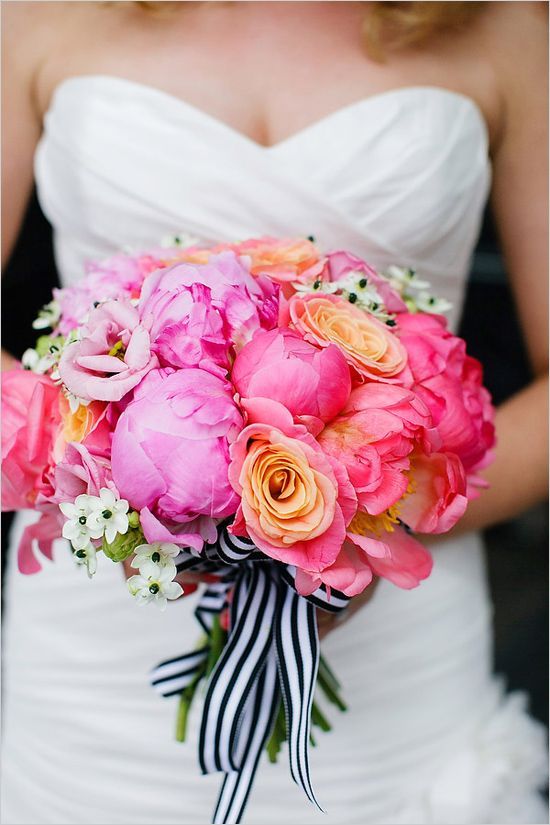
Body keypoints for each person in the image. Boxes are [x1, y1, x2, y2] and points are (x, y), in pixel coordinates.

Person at [1, 2, 548, 823]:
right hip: (97, 657)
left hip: (398, 660)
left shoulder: (503, 22)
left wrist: (368, 518)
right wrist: (112, 488)